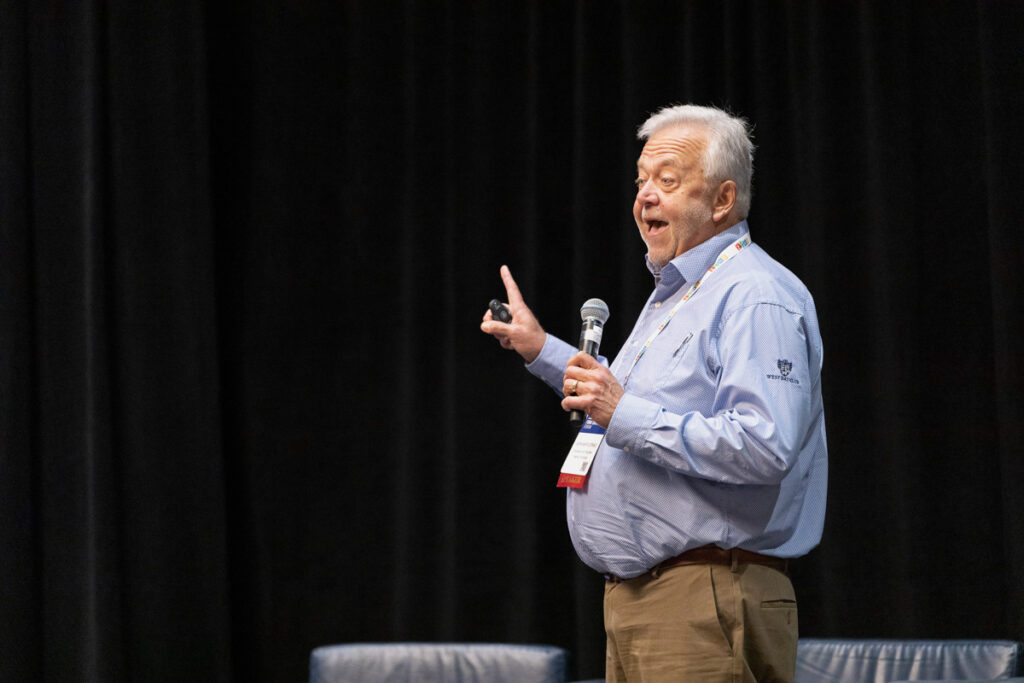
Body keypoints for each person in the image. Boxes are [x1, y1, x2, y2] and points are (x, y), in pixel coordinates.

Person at [480, 104, 827, 683]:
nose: (644, 196)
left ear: (721, 199)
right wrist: (540, 348)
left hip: (707, 596)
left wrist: (624, 413)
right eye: (641, 180)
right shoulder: (677, 294)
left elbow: (766, 444)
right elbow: (620, 398)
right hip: (645, 601)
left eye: (667, 181)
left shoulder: (755, 295)